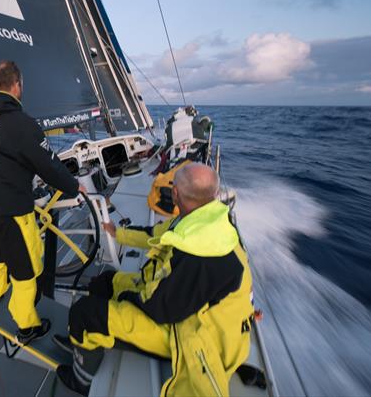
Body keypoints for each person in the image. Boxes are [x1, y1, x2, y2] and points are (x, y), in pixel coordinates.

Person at [55, 163, 254, 397]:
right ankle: (84, 339)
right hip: (183, 309)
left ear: (176, 194)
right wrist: (118, 233)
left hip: (187, 332)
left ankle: (82, 380)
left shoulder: (200, 256)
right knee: (105, 282)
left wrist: (125, 299)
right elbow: (156, 235)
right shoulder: (204, 220)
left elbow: (160, 310)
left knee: (84, 312)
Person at [0, 60, 84, 345]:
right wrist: (73, 186)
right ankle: (27, 326)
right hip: (13, 213)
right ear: (17, 85)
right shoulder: (21, 125)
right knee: (25, 271)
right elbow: (49, 166)